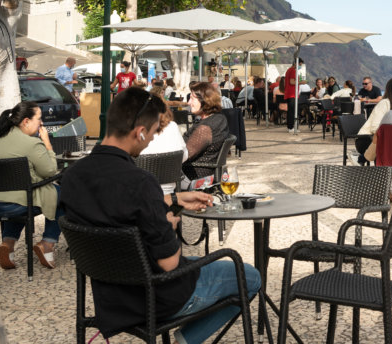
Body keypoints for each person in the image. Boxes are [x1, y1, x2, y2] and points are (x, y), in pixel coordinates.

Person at [59, 88, 260, 343]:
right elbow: (169, 264)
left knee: (197, 261)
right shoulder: (140, 182)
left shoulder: (72, 176)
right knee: (250, 275)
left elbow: (113, 208)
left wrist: (172, 199)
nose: (152, 139)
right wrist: (168, 221)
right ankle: (186, 339)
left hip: (110, 297)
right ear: (140, 132)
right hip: (157, 297)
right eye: (153, 132)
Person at [0, 101, 62, 270]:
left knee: (20, 196)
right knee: (62, 195)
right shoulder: (31, 143)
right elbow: (50, 171)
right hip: (14, 205)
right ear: (26, 121)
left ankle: (8, 244)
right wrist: (47, 143)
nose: (41, 123)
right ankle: (47, 244)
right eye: (39, 119)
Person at [181, 82, 230, 179]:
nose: (189, 102)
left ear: (205, 100)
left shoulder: (205, 129)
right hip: (210, 173)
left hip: (196, 176)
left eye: (192, 98)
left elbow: (184, 156)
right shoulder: (219, 118)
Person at [141, 105, 189, 193]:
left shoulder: (137, 130)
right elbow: (184, 156)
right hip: (169, 189)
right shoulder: (173, 126)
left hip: (140, 190)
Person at [355, 77, 392, 162]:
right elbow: (374, 127)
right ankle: (363, 159)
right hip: (366, 139)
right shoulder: (384, 103)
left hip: (382, 139)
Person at [284, 58, 304, 134]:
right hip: (292, 93)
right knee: (292, 111)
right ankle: (291, 127)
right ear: (296, 63)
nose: (300, 66)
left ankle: (291, 126)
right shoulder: (293, 70)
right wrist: (301, 82)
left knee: (291, 111)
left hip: (290, 93)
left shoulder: (289, 70)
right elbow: (292, 82)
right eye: (300, 64)